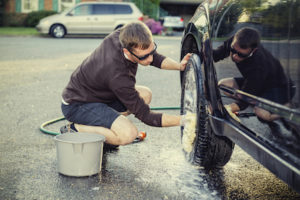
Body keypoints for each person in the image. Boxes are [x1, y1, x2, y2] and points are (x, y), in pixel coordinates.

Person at [60, 21, 192, 146]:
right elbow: (146, 116)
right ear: (126, 52)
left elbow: (153, 57)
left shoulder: (127, 35)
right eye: (144, 57)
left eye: (152, 51)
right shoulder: (118, 75)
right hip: (78, 104)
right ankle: (75, 129)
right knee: (128, 134)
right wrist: (185, 120)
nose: (150, 59)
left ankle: (107, 132)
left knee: (145, 94)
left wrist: (179, 66)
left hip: (99, 95)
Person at [213, 27, 295, 122]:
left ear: (254, 50)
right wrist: (195, 53)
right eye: (233, 50)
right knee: (223, 85)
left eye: (241, 55)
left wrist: (225, 109)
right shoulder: (235, 42)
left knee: (261, 113)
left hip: (280, 88)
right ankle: (259, 101)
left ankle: (288, 108)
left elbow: (244, 99)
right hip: (258, 84)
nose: (234, 56)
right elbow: (216, 55)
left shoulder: (259, 65)